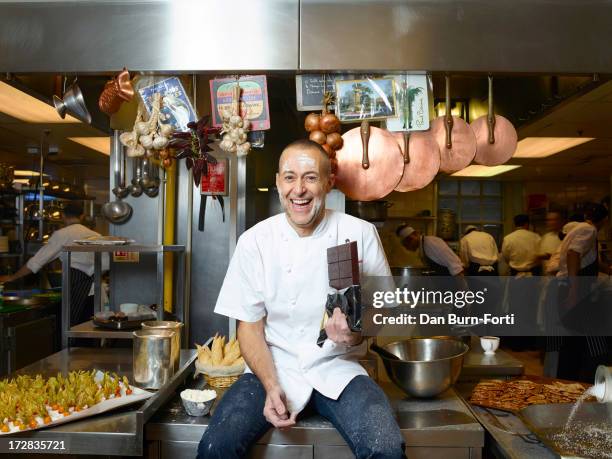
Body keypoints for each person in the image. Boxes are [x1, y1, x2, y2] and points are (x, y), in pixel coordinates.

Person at [197, 139, 405, 459]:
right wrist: (269, 385)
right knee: (216, 447)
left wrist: (357, 331)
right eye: (290, 177)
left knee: (386, 448)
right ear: (279, 182)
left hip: (340, 367)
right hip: (272, 367)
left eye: (310, 177)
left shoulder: (359, 233)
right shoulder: (255, 241)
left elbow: (381, 312)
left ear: (328, 182)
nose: (299, 189)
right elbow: (249, 328)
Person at [0, 202, 107, 328]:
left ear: (63, 216)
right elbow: (106, 264)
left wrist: (12, 277)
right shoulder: (97, 235)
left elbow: (37, 261)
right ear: (82, 216)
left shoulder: (63, 234)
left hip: (75, 291)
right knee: (89, 330)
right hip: (96, 292)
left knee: (72, 331)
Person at [554, 204, 612, 382]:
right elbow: (573, 254)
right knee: (586, 339)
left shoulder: (579, 227)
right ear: (605, 220)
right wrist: (573, 290)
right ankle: (577, 380)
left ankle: (567, 381)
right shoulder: (589, 230)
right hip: (575, 288)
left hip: (567, 286)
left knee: (574, 340)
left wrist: (608, 269)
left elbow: (587, 259)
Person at [396, 225, 463, 276]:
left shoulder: (430, 243)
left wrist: (463, 292)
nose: (408, 248)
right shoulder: (423, 246)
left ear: (415, 235)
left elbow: (456, 267)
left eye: (407, 244)